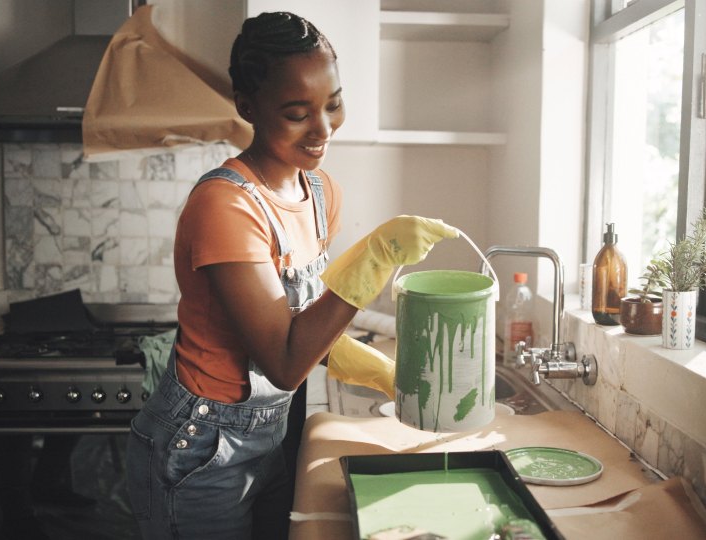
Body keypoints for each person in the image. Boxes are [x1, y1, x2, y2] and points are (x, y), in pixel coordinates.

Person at [125, 11, 457, 539]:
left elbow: (302, 322)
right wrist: (375, 257)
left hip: (268, 438)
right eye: (297, 113)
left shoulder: (320, 193)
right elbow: (283, 360)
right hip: (201, 451)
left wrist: (385, 373)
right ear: (248, 107)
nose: (323, 129)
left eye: (333, 103)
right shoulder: (225, 206)